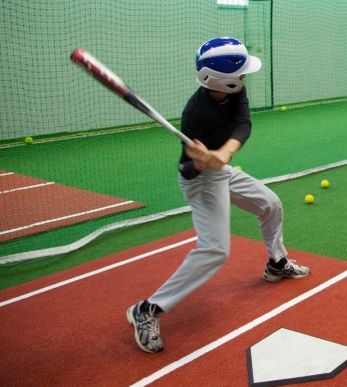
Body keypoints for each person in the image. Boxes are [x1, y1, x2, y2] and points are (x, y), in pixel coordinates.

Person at [126, 37, 310, 354]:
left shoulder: (235, 91)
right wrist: (200, 161)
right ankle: (147, 309)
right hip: (200, 181)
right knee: (215, 250)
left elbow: (243, 124)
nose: (245, 76)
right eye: (240, 73)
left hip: (221, 169)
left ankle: (277, 263)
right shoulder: (194, 113)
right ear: (222, 79)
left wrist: (222, 154)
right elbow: (187, 170)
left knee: (269, 203)